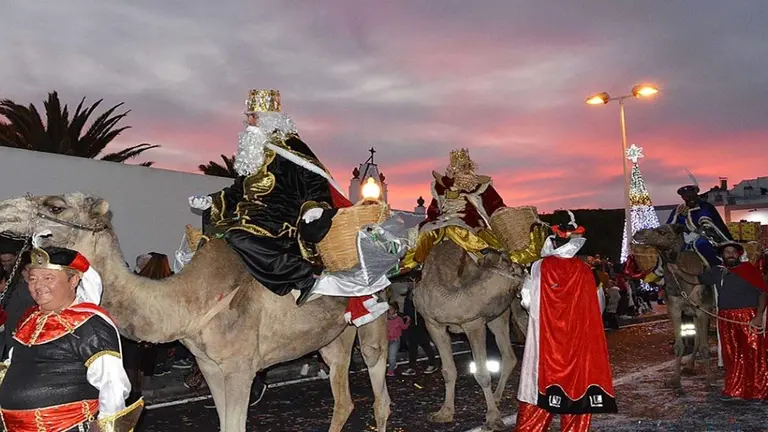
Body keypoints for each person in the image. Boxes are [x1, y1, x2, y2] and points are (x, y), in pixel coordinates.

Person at [190, 88, 387, 325]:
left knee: (238, 237)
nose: (249, 121)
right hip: (249, 217)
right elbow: (237, 191)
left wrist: (315, 206)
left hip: (279, 220)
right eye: (248, 116)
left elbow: (314, 178)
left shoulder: (290, 147)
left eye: (254, 116)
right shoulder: (252, 154)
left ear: (270, 118)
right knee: (212, 238)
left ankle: (305, 276)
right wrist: (213, 200)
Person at [0, 245, 141, 431]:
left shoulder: (89, 324)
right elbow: (13, 363)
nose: (38, 286)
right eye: (33, 279)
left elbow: (113, 385)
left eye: (48, 278)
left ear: (73, 280)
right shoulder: (30, 318)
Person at [516, 212, 617, 432]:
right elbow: (598, 307)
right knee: (578, 389)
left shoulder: (538, 267)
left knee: (538, 389)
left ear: (552, 241)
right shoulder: (587, 272)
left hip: (546, 343)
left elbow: (527, 302)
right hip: (577, 344)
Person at [402, 148, 546, 271]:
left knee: (454, 228)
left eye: (466, 167)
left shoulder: (481, 186)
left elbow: (496, 207)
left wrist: (505, 215)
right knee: (426, 233)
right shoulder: (441, 187)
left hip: (471, 223)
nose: (463, 171)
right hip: (441, 222)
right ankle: (414, 265)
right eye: (460, 168)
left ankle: (483, 250)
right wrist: (429, 220)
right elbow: (434, 210)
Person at [684, 242, 768, 401]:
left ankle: (758, 391)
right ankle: (734, 389)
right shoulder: (717, 272)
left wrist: (758, 316)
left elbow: (763, 293)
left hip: (747, 317)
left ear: (739, 254)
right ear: (722, 255)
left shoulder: (749, 270)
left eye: (733, 252)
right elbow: (696, 280)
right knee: (731, 354)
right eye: (727, 252)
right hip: (726, 318)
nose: (730, 254)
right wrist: (677, 272)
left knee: (753, 353)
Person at [667, 184, 733, 268]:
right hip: (684, 237)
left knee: (701, 244)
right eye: (686, 196)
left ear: (696, 194)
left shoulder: (706, 206)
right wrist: (680, 222)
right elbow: (670, 225)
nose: (689, 198)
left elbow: (710, 223)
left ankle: (716, 266)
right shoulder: (678, 209)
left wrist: (696, 233)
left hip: (706, 236)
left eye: (691, 195)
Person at [400, 282, 438, 376]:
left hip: (421, 323)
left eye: (411, 283)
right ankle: (412, 367)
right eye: (408, 283)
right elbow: (406, 309)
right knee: (412, 347)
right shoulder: (408, 297)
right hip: (411, 324)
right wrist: (406, 316)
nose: (409, 285)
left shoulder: (421, 294)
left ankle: (432, 364)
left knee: (425, 344)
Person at [386, 304, 410, 377]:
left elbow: (404, 327)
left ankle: (390, 371)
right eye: (388, 309)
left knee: (391, 357)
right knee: (387, 357)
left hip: (395, 340)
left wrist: (408, 321)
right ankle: (393, 365)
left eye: (391, 309)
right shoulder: (385, 319)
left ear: (396, 310)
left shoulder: (398, 319)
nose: (389, 311)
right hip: (386, 340)